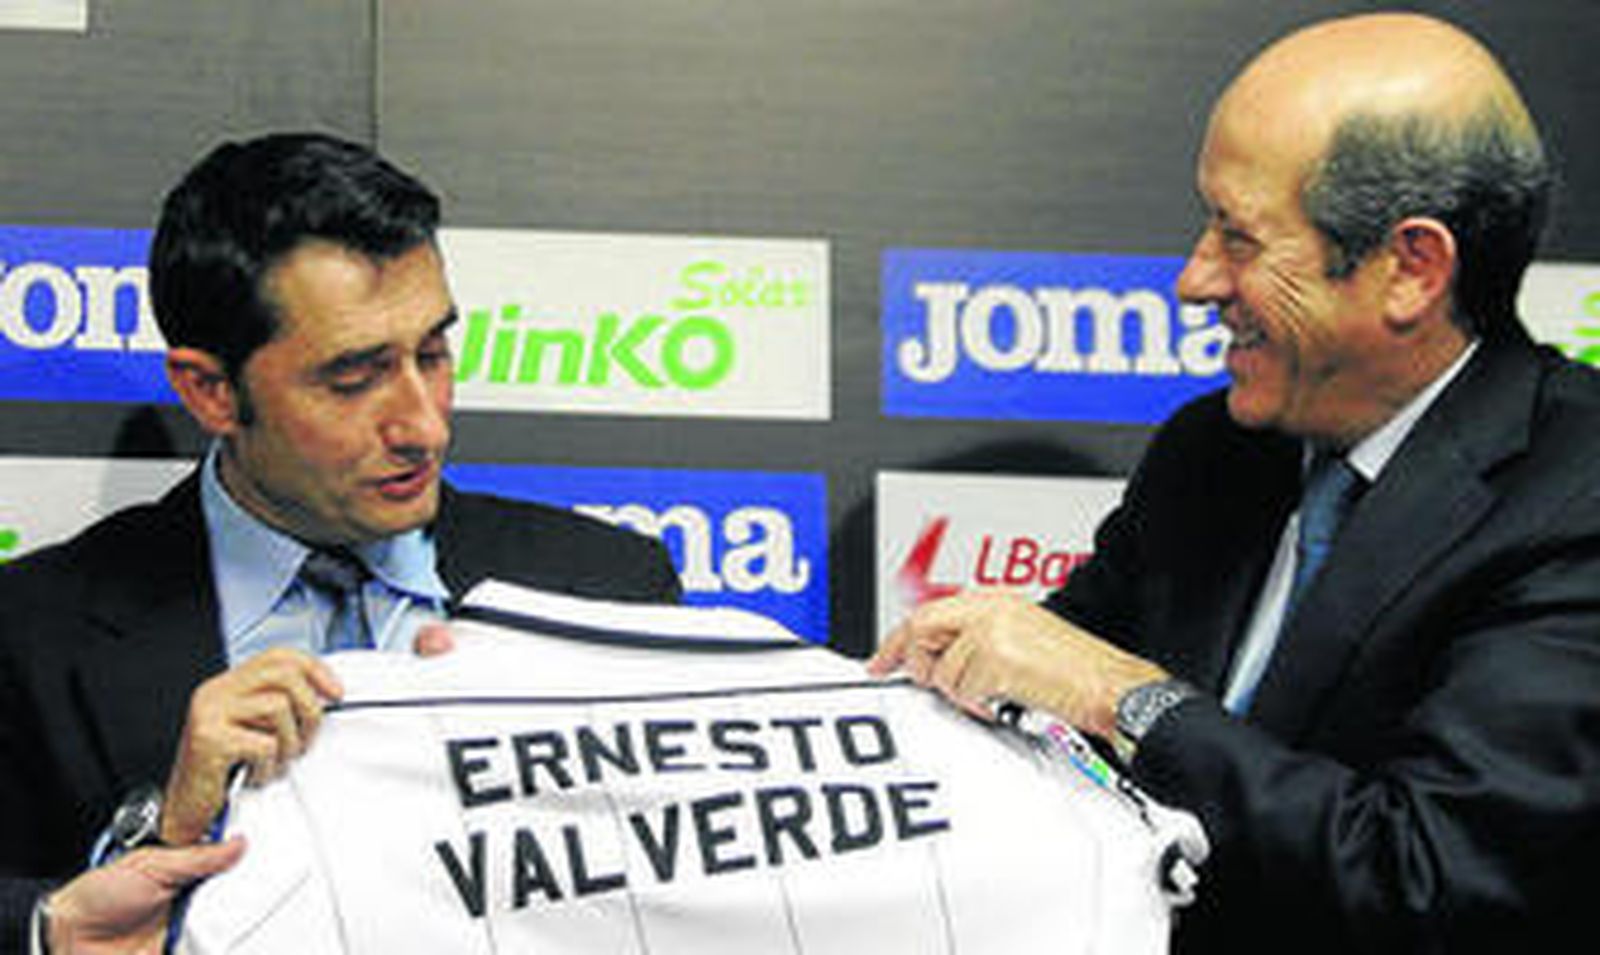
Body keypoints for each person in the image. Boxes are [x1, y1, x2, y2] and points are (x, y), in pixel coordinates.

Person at [871, 12, 1600, 953]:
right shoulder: (1211, 456)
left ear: (1411, 268)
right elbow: (1032, 726)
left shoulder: (1576, 492)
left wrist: (1126, 697)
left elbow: (1430, 879)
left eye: (1239, 238)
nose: (1194, 279)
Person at [0, 132, 682, 953]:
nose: (423, 426)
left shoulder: (608, 586)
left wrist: (878, 723)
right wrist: (98, 890)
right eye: (353, 378)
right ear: (211, 390)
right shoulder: (30, 632)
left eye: (433, 353)